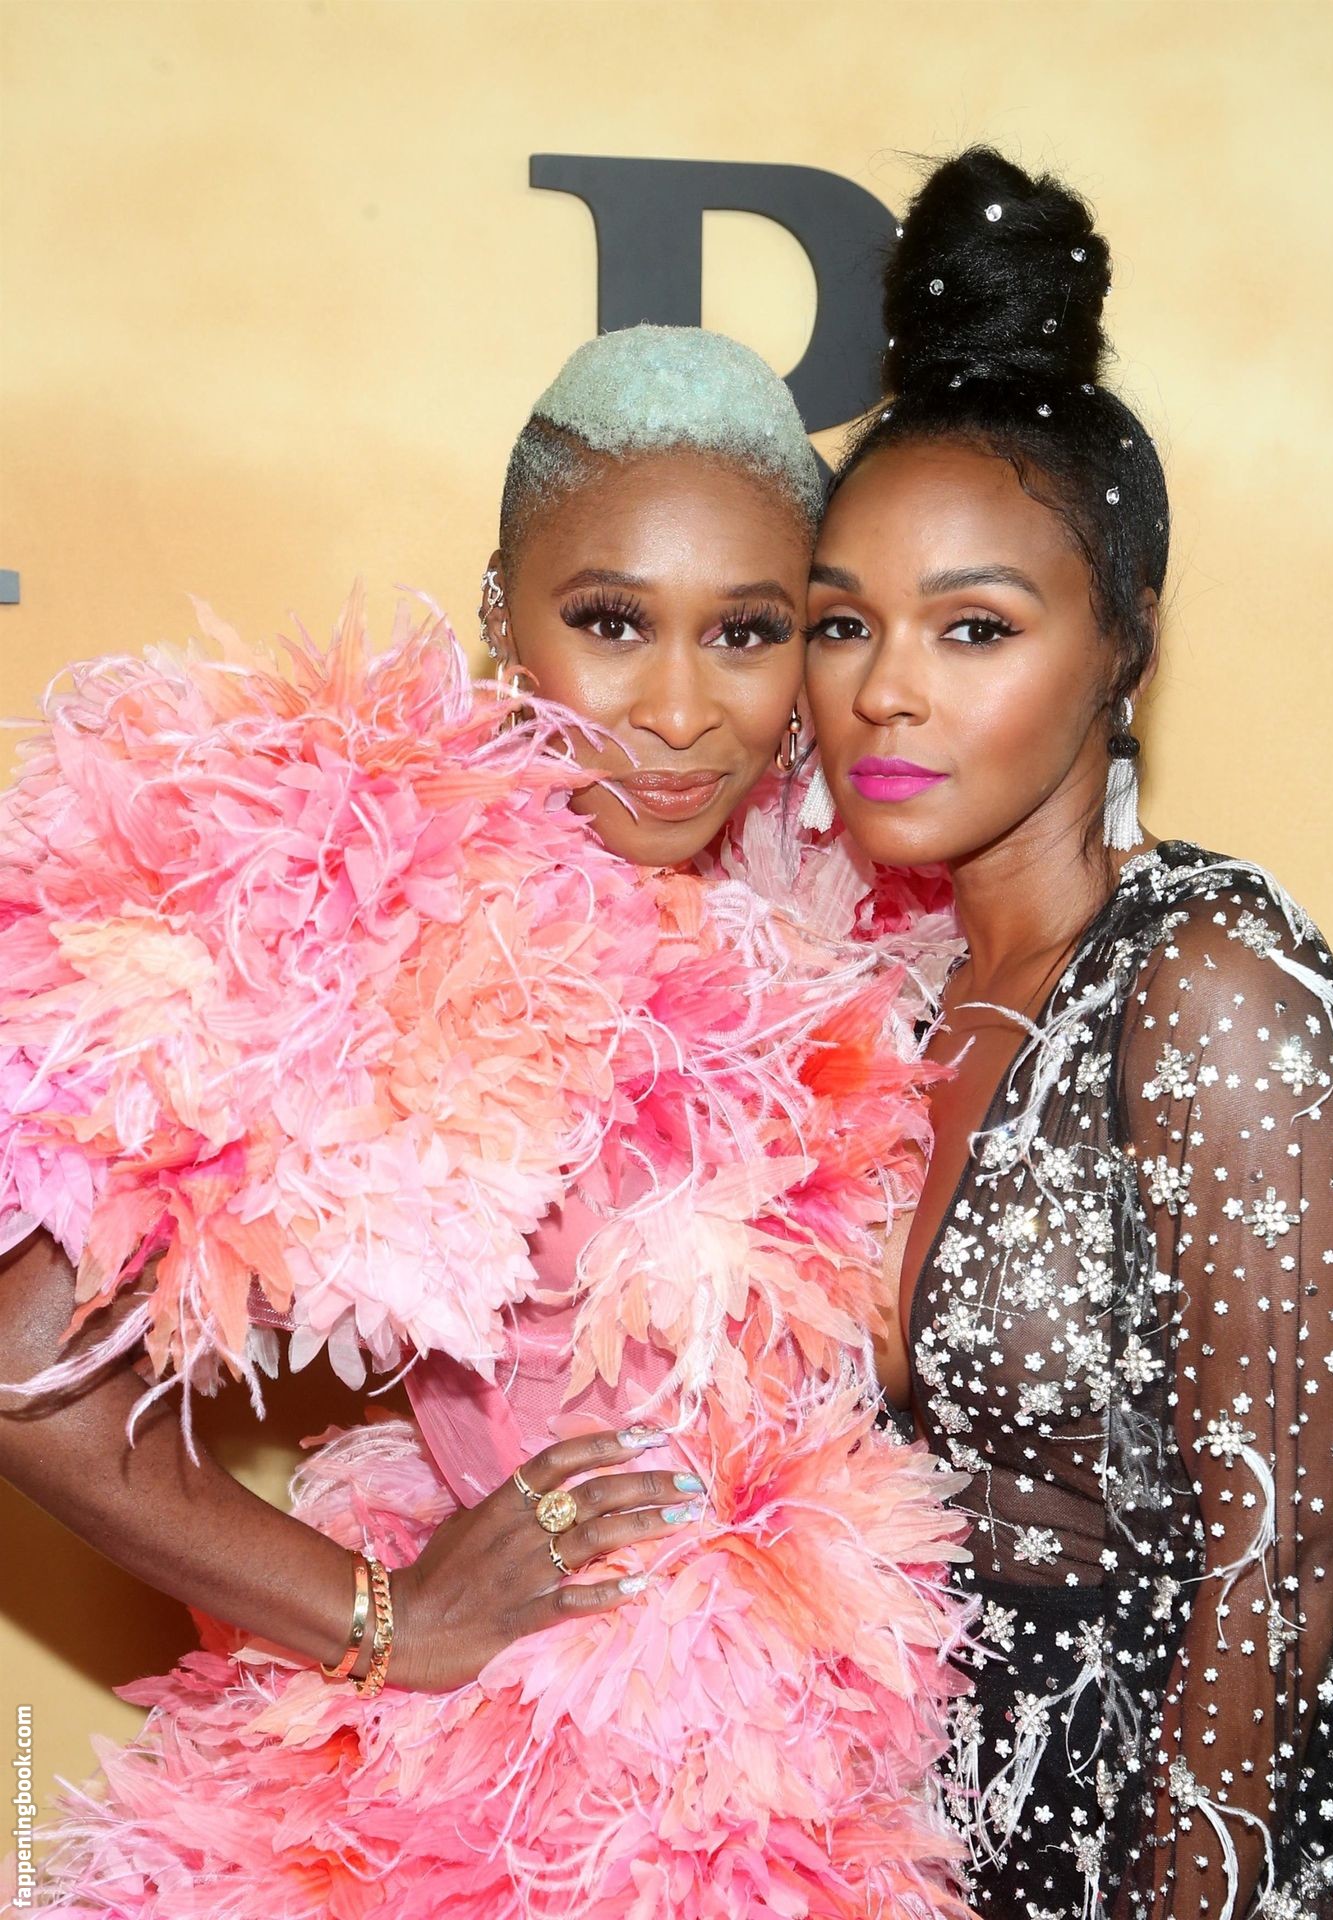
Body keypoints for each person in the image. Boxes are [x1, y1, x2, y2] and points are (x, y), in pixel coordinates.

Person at [0, 327, 974, 1917]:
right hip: (523, 1793)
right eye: (610, 621)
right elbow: (27, 1377)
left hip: (806, 1766)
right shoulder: (388, 922)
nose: (680, 708)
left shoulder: (846, 900)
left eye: (748, 631)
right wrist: (389, 1622)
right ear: (501, 619)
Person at [798, 149, 1333, 1920]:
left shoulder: (1210, 976)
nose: (885, 688)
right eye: (843, 623)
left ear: (1123, 651)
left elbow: (1283, 1571)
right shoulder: (874, 995)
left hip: (1171, 1842)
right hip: (910, 1835)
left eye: (974, 628)